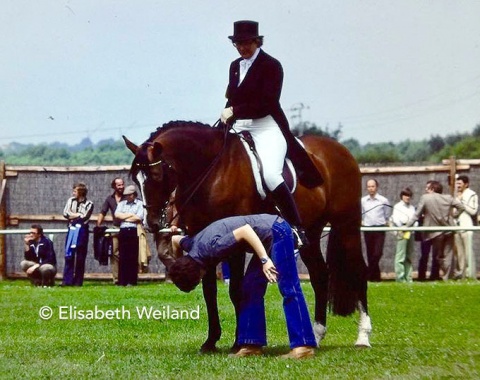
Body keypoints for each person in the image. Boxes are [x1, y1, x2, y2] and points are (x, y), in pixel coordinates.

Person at [220, 20, 322, 247]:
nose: (242, 48)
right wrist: (224, 117)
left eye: (246, 43)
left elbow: (266, 103)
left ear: (257, 41)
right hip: (241, 124)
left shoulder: (272, 65)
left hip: (267, 124)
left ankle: (297, 227)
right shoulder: (235, 65)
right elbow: (233, 97)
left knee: (271, 176)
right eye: (238, 43)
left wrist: (234, 110)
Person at [168, 214, 316, 359]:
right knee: (249, 288)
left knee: (288, 286)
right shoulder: (192, 246)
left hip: (278, 231)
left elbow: (245, 231)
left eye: (197, 280)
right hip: (265, 239)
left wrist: (265, 260)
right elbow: (175, 240)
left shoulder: (213, 248)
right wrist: (179, 264)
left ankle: (303, 346)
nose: (201, 280)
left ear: (198, 273)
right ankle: (251, 345)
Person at [407, 181, 465, 281]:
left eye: (427, 188)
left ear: (433, 189)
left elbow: (416, 215)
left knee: (435, 256)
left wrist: (406, 227)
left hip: (432, 232)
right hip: (448, 230)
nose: (425, 190)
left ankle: (449, 275)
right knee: (447, 255)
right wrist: (453, 216)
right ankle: (448, 277)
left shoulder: (425, 198)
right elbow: (461, 207)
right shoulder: (448, 198)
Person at [62, 182, 94, 286]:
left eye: (75, 191)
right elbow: (66, 213)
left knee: (80, 256)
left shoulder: (89, 204)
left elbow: (84, 217)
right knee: (69, 254)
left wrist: (74, 215)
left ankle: (78, 281)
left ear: (80, 192)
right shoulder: (70, 201)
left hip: (82, 231)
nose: (73, 193)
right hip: (71, 229)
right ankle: (67, 280)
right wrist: (77, 215)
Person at [361, 179, 391, 281]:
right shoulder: (363, 201)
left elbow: (387, 214)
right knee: (370, 253)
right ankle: (375, 277)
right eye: (369, 186)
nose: (371, 189)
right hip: (368, 228)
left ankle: (369, 273)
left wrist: (385, 222)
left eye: (372, 186)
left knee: (377, 253)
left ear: (376, 187)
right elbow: (362, 213)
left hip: (379, 228)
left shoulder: (383, 200)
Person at [96, 177, 125, 283]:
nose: (121, 187)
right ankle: (116, 278)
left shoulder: (127, 197)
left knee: (126, 253)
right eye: (119, 185)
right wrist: (98, 225)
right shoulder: (110, 199)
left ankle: (126, 277)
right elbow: (103, 212)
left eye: (122, 184)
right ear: (114, 186)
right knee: (114, 252)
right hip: (116, 228)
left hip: (127, 227)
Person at [114, 185, 144, 286]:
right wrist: (130, 216)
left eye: (128, 195)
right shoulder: (122, 203)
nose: (127, 197)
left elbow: (139, 217)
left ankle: (132, 280)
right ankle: (122, 280)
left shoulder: (140, 204)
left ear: (133, 195)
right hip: (123, 230)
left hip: (133, 230)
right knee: (122, 256)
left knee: (132, 256)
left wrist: (124, 217)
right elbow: (117, 215)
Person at [454, 175, 478, 279]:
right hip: (457, 227)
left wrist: (462, 203)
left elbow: (473, 211)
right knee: (460, 253)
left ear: (466, 184)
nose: (457, 186)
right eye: (457, 183)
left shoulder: (472, 194)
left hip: (467, 226)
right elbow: (454, 212)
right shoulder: (456, 196)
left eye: (460, 183)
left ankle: (471, 275)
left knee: (468, 252)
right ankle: (462, 275)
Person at [391, 188, 416, 282]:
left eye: (409, 195)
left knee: (409, 256)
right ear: (402, 196)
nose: (407, 197)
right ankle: (400, 278)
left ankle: (408, 277)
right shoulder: (397, 206)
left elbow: (415, 219)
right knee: (400, 256)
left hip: (411, 232)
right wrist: (404, 226)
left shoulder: (412, 207)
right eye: (405, 195)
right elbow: (396, 219)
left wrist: (412, 226)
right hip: (402, 232)